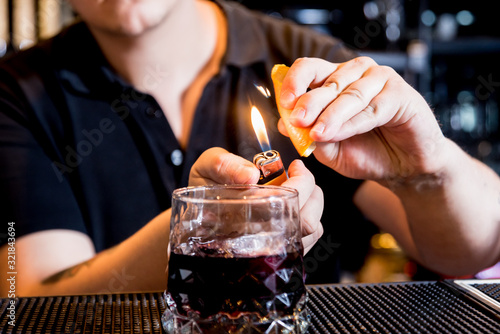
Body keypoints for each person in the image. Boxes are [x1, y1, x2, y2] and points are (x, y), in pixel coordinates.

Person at [0, 0, 499, 297]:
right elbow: (35, 301)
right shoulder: (18, 94)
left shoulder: (310, 69)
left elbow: (479, 247)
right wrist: (197, 229)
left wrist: (428, 169)